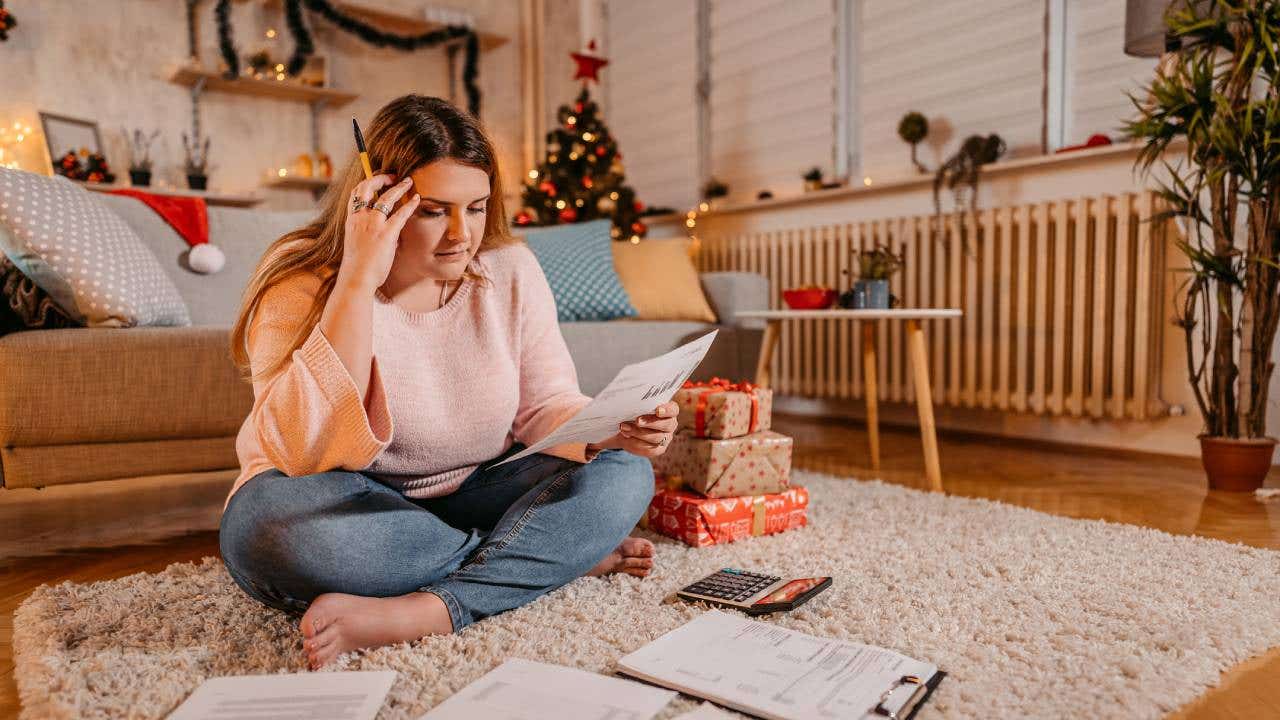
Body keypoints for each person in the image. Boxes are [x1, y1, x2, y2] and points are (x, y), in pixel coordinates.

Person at [219, 94, 677, 670]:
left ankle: (430, 608)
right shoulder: (300, 276)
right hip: (357, 501)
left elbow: (547, 406)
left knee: (625, 472)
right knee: (265, 529)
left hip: (481, 486)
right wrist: (359, 278)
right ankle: (548, 556)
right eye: (434, 210)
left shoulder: (510, 269)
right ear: (378, 200)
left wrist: (612, 429)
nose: (462, 235)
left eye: (478, 208)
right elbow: (295, 448)